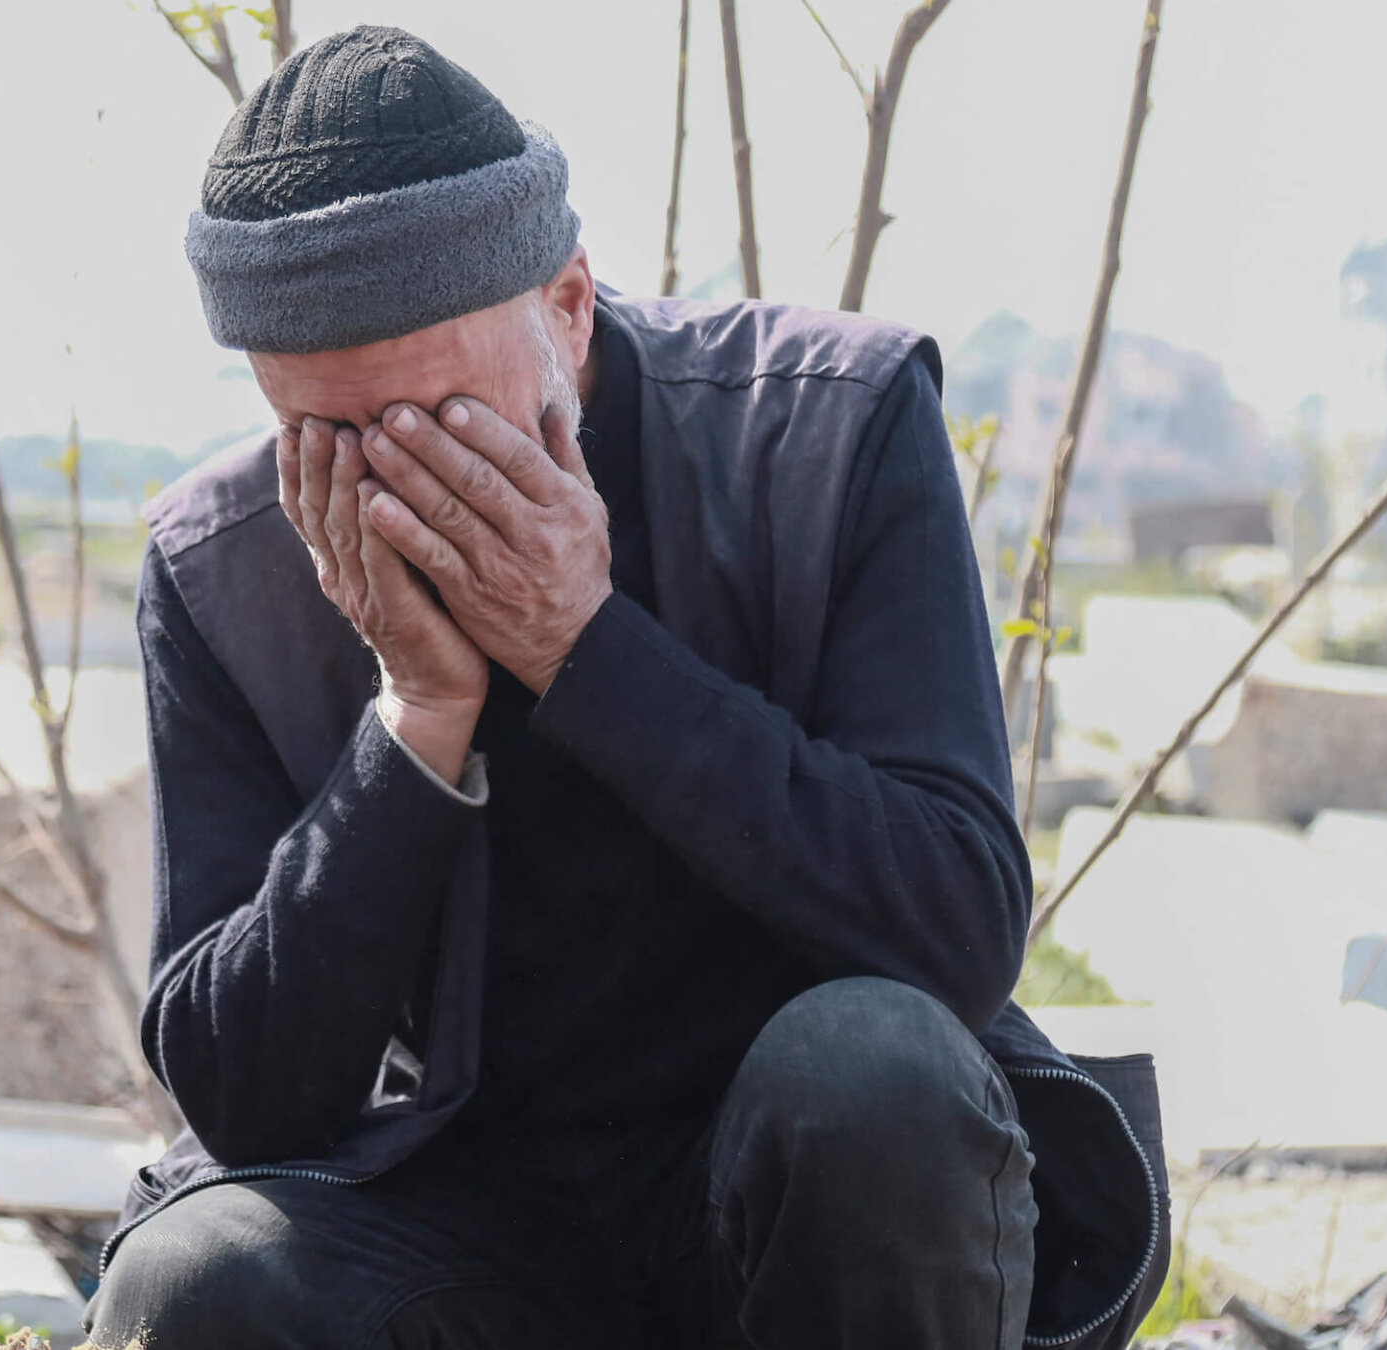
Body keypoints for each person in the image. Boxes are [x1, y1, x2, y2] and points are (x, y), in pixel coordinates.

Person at [95, 26, 1165, 1350]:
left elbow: (953, 929)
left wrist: (585, 649)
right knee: (198, 1276)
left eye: (438, 412)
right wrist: (415, 723)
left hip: (801, 1198)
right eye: (329, 430)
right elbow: (240, 1095)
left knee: (869, 1071)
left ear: (569, 302)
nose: (395, 478)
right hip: (462, 1225)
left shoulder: (829, 428)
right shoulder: (228, 563)